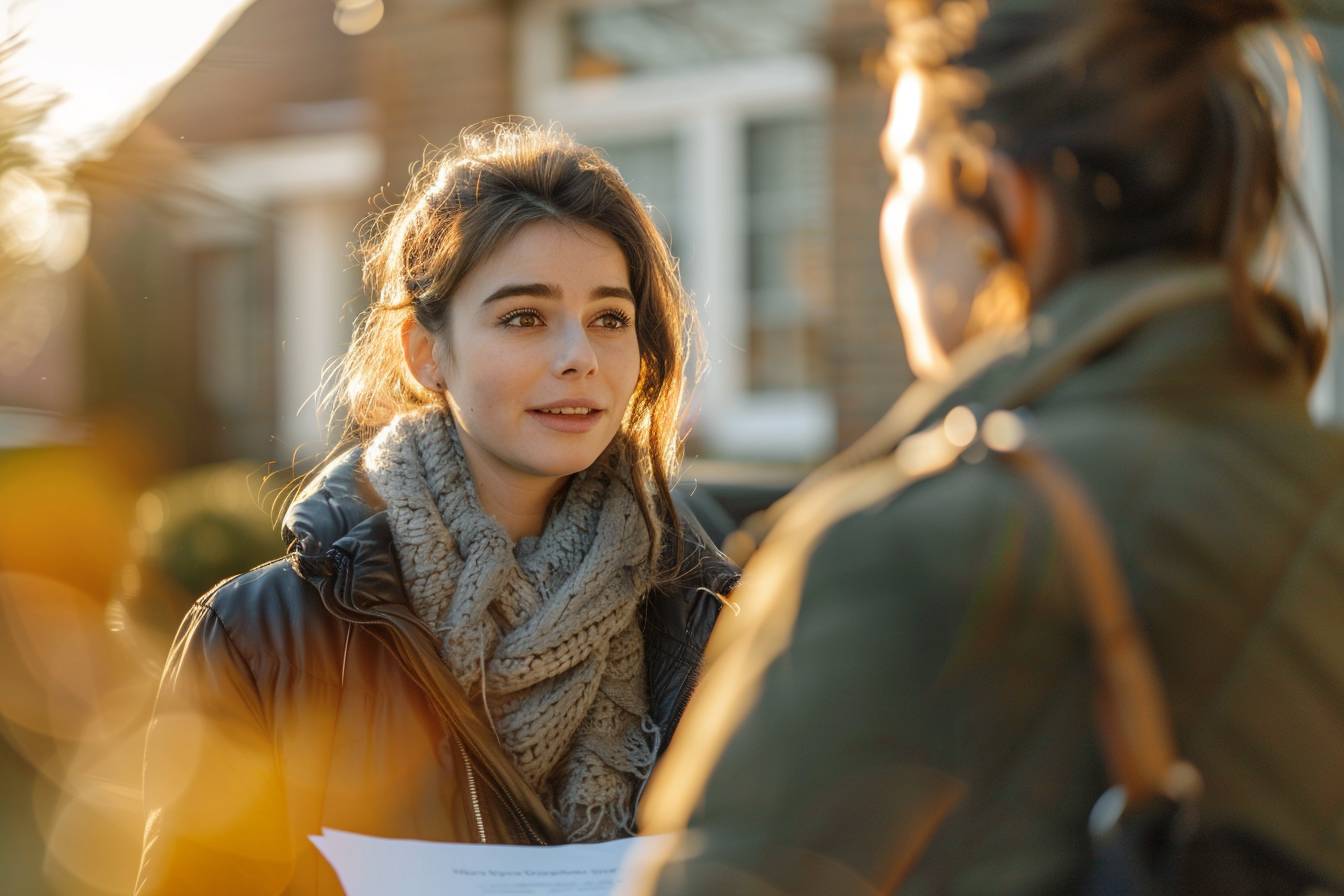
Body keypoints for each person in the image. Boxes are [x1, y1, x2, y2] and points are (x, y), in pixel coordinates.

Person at [635, 1, 1344, 893]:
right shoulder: (1316, 486)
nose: (888, 218)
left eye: (901, 172)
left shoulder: (915, 545)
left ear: (1005, 200)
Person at [133, 121, 738, 895]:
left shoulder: (712, 626)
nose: (578, 355)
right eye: (525, 316)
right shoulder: (263, 637)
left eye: (609, 318)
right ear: (427, 352)